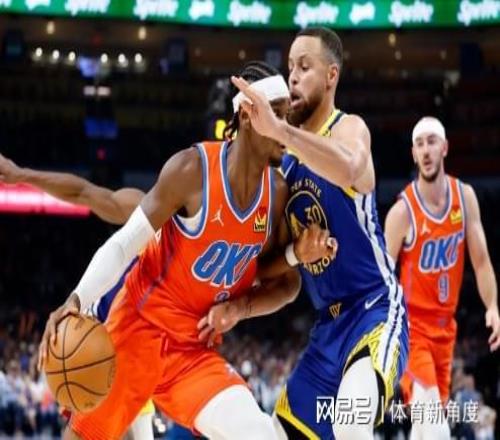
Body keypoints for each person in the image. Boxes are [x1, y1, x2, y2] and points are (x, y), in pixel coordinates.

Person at [36, 61, 333, 440]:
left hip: (192, 352)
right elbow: (125, 243)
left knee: (261, 433)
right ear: (246, 114)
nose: (285, 128)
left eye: (288, 117)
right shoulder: (191, 170)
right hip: (137, 332)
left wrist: (245, 303)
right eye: (277, 114)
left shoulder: (276, 194)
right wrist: (77, 299)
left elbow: (286, 283)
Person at [205, 27, 409, 440]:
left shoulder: (349, 129)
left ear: (331, 76)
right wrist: (289, 260)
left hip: (374, 310)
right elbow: (279, 276)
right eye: (289, 68)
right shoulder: (283, 169)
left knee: (350, 425)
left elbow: (349, 169)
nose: (293, 77)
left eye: (304, 66)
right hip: (327, 329)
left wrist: (281, 131)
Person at [0, 153, 154, 439]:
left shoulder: (205, 261)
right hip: (97, 345)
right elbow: (84, 192)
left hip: (140, 362)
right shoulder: (153, 214)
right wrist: (22, 174)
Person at [384, 116, 500, 440]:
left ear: (445, 148)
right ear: (413, 153)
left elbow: (481, 262)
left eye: (431, 142)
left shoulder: (465, 197)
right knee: (435, 426)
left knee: (425, 429)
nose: (426, 150)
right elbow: (381, 277)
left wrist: (492, 306)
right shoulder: (402, 212)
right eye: (419, 144)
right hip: (412, 331)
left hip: (445, 330)